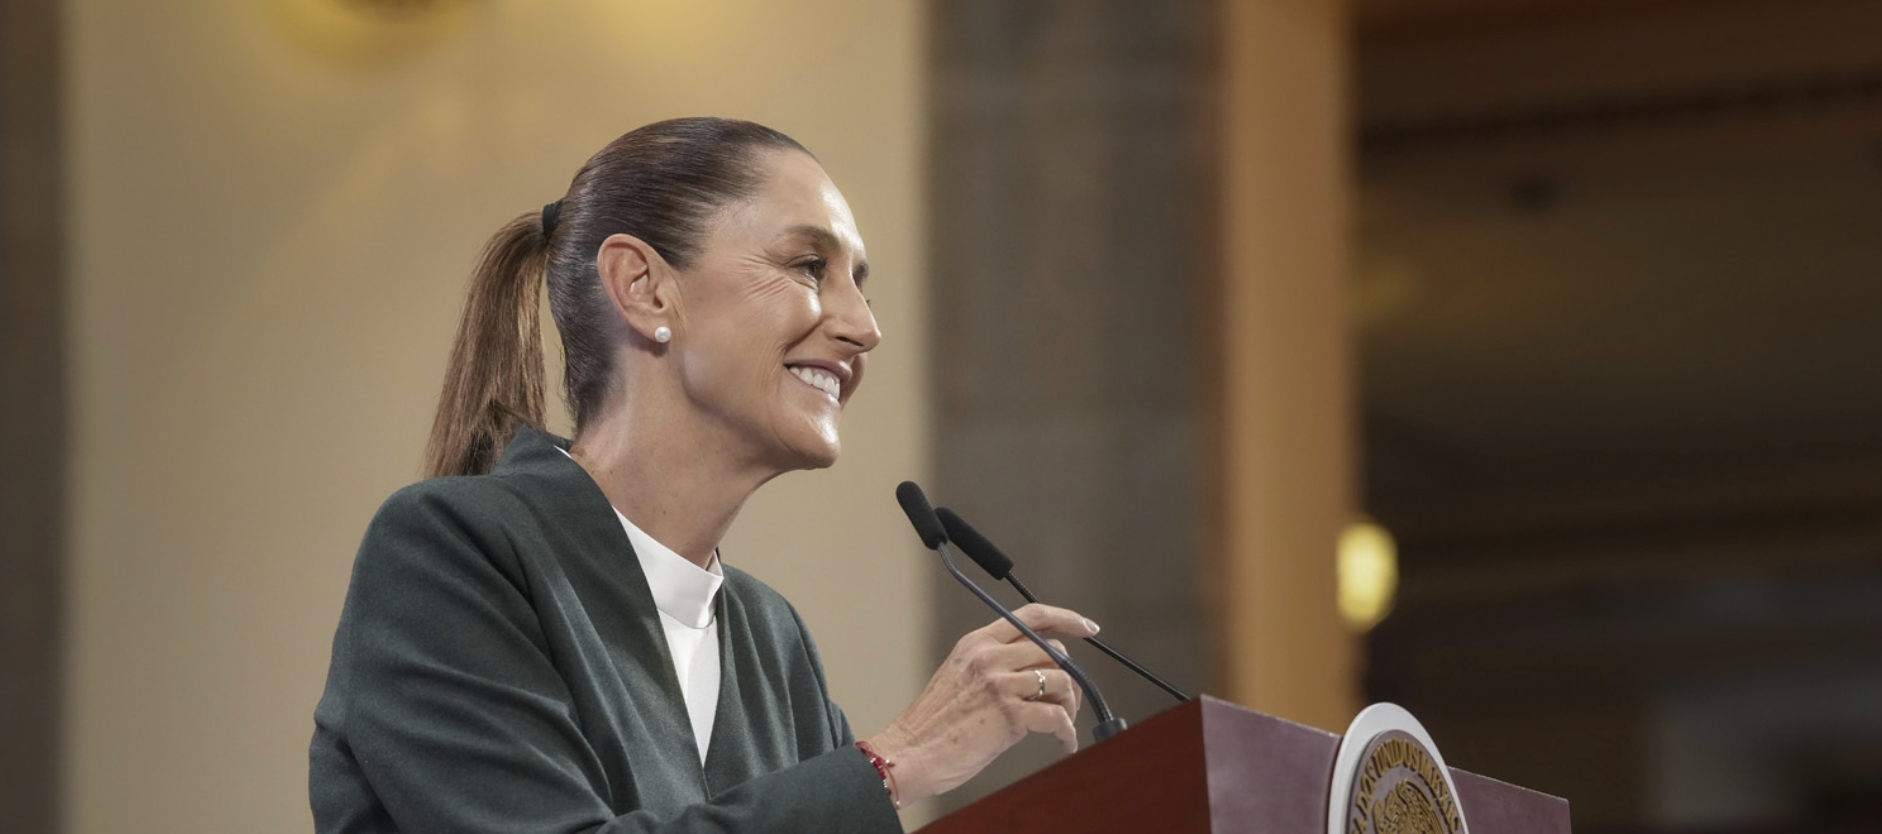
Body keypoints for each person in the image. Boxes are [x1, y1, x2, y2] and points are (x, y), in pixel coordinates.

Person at [309, 117, 1098, 834]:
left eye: (861, 283)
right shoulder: (450, 551)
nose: (865, 327)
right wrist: (895, 762)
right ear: (644, 287)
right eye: (809, 266)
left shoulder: (771, 638)